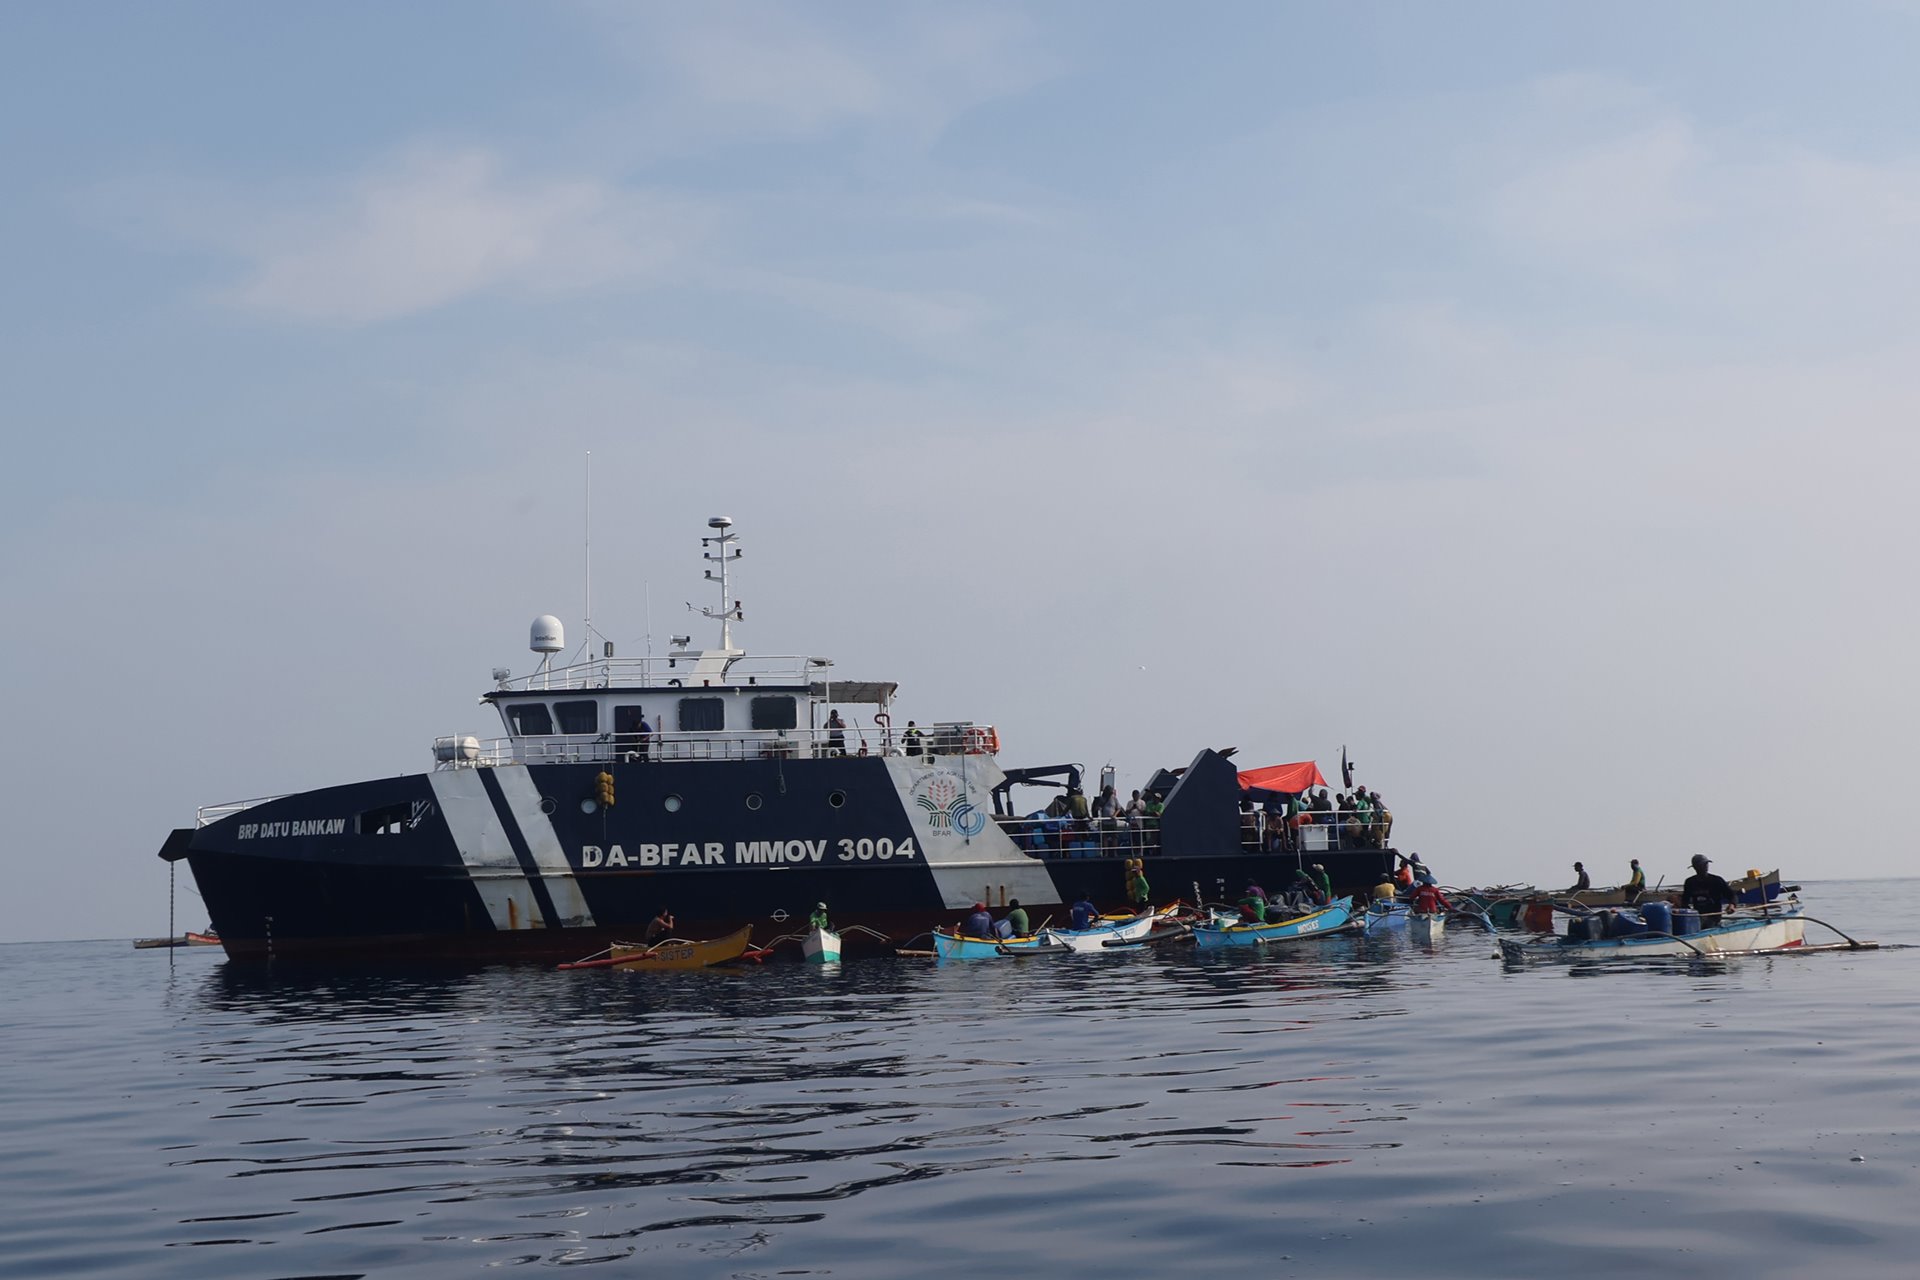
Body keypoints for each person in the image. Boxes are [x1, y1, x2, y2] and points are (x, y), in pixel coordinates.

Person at [1680, 854, 1735, 927]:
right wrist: (1690, 913)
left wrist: (1732, 905)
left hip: (1714, 917)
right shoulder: (1690, 882)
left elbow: (1732, 895)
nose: (1706, 866)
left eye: (1706, 864)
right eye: (1702, 864)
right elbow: (1685, 902)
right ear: (1695, 867)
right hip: (1698, 917)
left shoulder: (1716, 880)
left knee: (1707, 923)